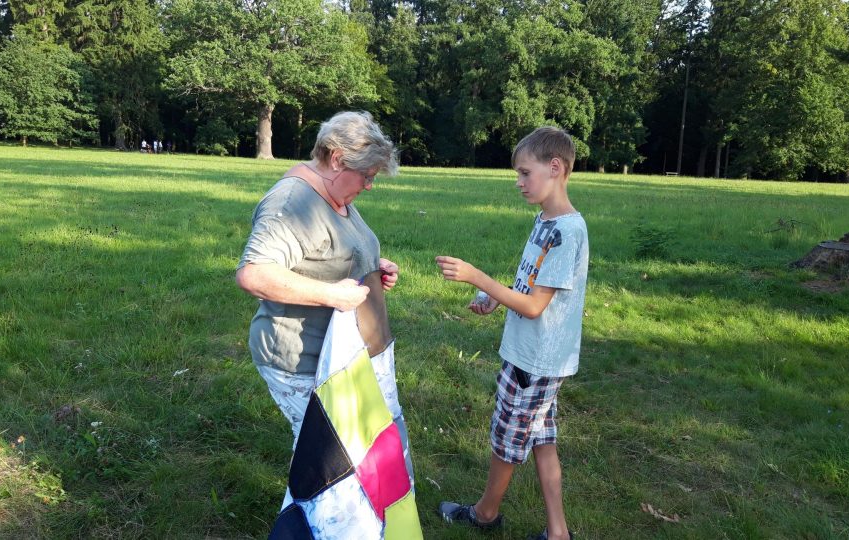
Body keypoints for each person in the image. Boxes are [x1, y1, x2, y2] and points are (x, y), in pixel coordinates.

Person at [235, 110, 402, 492]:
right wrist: (333, 295)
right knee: (331, 466)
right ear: (338, 159)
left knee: (348, 454)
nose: (370, 186)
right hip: (302, 359)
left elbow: (332, 247)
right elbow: (255, 273)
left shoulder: (333, 192)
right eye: (368, 176)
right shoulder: (294, 202)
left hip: (340, 356)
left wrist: (372, 265)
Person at [435, 126, 588, 540]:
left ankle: (486, 514)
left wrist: (476, 278)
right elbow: (530, 284)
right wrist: (497, 299)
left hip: (533, 361)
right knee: (541, 439)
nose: (518, 182)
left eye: (525, 173)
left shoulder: (566, 231)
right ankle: (558, 532)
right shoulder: (546, 220)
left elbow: (536, 307)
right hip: (534, 355)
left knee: (507, 441)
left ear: (555, 167)